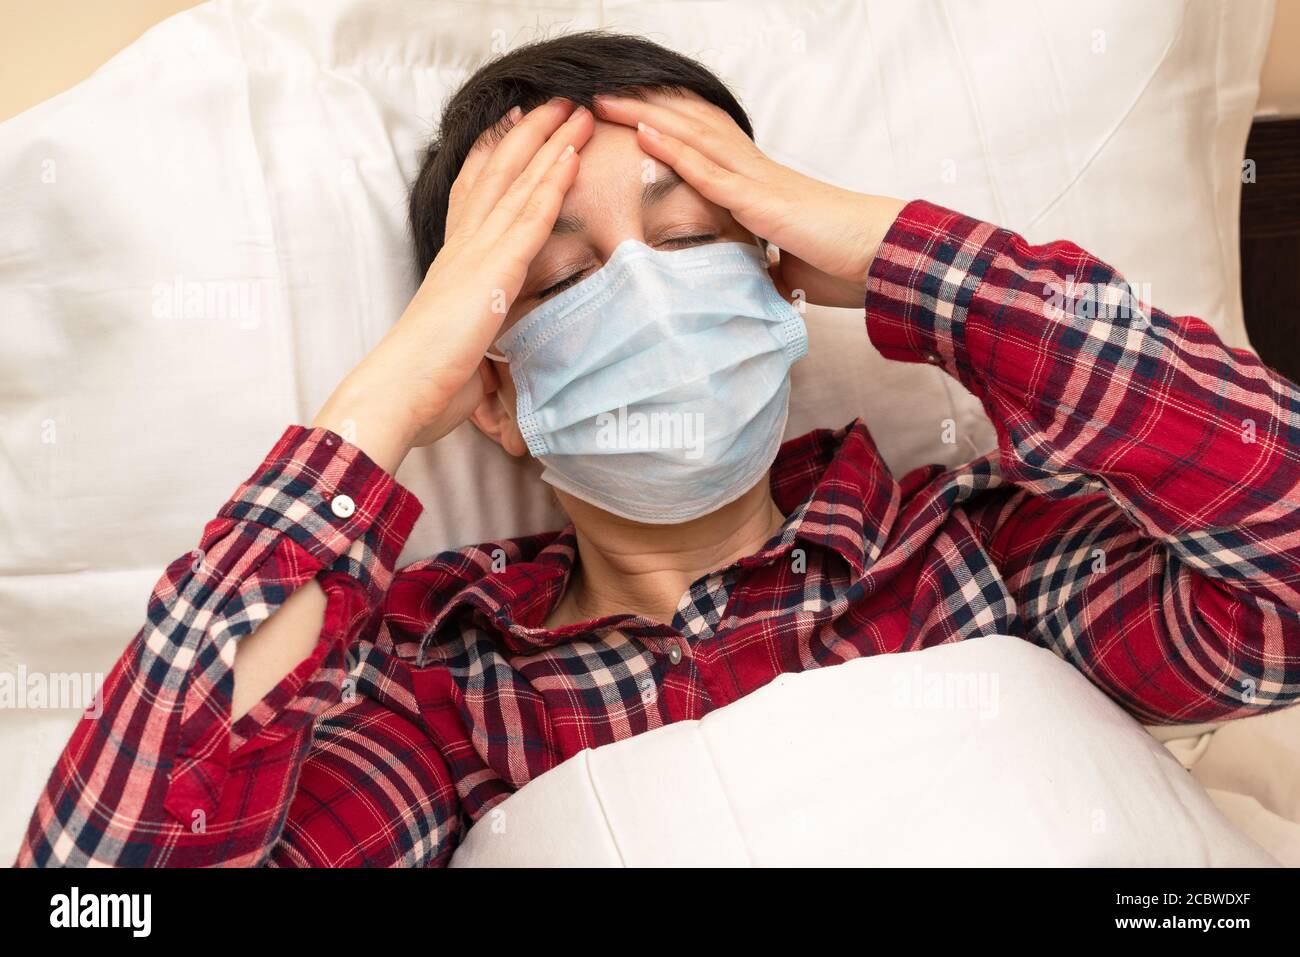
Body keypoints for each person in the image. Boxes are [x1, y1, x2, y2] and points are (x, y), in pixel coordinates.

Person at [17, 32, 1300, 867]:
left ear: (781, 287)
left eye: (692, 243)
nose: (640, 296)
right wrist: (391, 398)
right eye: (558, 277)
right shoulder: (435, 699)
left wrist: (908, 252)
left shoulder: (980, 562)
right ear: (496, 395)